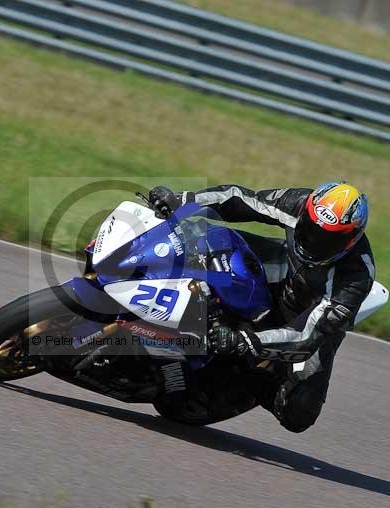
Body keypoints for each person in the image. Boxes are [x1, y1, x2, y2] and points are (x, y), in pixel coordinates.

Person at [148, 183, 375, 432]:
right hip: (281, 266)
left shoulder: (355, 277)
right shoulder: (298, 203)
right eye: (309, 228)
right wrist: (183, 199)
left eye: (326, 240)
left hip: (306, 316)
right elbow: (238, 198)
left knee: (299, 411)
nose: (312, 241)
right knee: (203, 237)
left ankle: (252, 379)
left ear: (350, 240)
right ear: (307, 212)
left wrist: (245, 340)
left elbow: (307, 336)